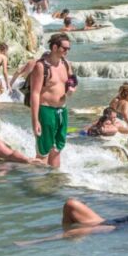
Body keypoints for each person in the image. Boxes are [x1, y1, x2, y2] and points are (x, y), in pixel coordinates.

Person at [26, 33, 76, 168]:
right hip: (46, 110)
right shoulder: (41, 66)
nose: (67, 51)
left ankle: (54, 181)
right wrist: (35, 120)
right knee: (44, 150)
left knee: (57, 148)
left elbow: (72, 79)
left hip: (62, 110)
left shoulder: (66, 64)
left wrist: (71, 86)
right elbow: (35, 94)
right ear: (54, 47)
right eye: (64, 48)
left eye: (68, 49)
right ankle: (40, 185)